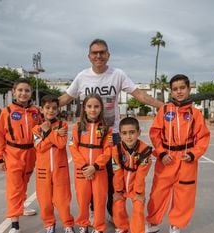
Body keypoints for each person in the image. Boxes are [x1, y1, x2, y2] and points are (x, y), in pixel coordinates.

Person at [59, 38, 164, 222]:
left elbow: (138, 94)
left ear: (108, 55)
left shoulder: (118, 74)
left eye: (102, 52)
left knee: (112, 176)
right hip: (88, 136)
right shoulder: (82, 76)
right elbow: (66, 98)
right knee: (91, 175)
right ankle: (92, 211)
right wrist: (40, 108)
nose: (98, 55)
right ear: (89, 56)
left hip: (112, 135)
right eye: (95, 53)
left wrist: (163, 106)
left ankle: (111, 212)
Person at [145, 74, 211, 233]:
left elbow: (203, 137)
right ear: (171, 92)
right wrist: (161, 153)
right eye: (175, 89)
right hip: (166, 159)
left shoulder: (195, 114)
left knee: (184, 194)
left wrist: (193, 154)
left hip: (186, 160)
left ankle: (176, 225)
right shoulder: (165, 110)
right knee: (158, 192)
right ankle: (153, 223)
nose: (179, 92)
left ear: (189, 89)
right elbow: (155, 133)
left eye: (182, 88)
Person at [0, 79, 42, 233]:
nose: (23, 93)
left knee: (24, 183)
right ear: (14, 91)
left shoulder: (35, 112)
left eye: (26, 90)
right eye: (20, 90)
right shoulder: (7, 112)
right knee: (14, 187)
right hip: (13, 154)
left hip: (31, 154)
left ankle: (22, 205)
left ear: (31, 93)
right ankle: (15, 223)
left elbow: (41, 132)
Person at [69, 93, 113, 233]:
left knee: (99, 200)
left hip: (98, 171)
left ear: (101, 108)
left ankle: (98, 227)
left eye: (96, 106)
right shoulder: (77, 127)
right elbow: (73, 148)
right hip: (81, 171)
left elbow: (108, 150)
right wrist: (84, 167)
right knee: (82, 199)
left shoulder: (106, 129)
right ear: (84, 108)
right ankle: (83, 223)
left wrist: (94, 167)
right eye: (89, 106)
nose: (93, 109)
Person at [32, 95, 75, 233]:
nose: (51, 111)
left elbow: (61, 144)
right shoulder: (36, 128)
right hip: (43, 171)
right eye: (48, 108)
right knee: (44, 200)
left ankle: (68, 224)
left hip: (60, 169)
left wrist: (49, 132)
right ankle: (49, 224)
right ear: (42, 109)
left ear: (58, 109)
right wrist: (54, 134)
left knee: (63, 199)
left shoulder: (63, 125)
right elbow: (39, 148)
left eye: (54, 108)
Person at [112, 117, 153, 233]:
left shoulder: (145, 151)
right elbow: (117, 170)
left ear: (138, 133)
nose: (128, 136)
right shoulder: (116, 150)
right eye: (124, 133)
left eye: (132, 132)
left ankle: (137, 230)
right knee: (118, 205)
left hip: (137, 185)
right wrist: (118, 190)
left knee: (139, 208)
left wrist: (139, 192)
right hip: (122, 184)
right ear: (120, 134)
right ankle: (122, 227)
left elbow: (141, 173)